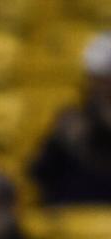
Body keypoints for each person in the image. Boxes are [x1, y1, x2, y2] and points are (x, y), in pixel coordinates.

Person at [29, 32, 111, 205]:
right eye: (97, 78)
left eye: (105, 78)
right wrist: (75, 141)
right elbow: (40, 171)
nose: (101, 85)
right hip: (72, 210)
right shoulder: (71, 120)